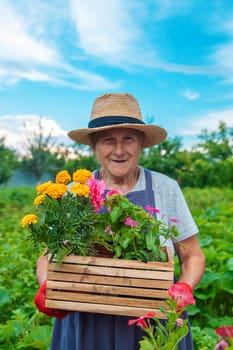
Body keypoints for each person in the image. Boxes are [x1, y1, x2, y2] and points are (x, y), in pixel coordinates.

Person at [34, 92, 206, 350]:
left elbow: (193, 255)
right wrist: (49, 286)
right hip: (85, 321)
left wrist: (183, 287)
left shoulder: (165, 188)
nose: (119, 150)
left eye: (128, 139)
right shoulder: (73, 193)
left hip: (151, 323)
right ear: (94, 146)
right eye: (107, 140)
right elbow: (49, 254)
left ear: (141, 144)